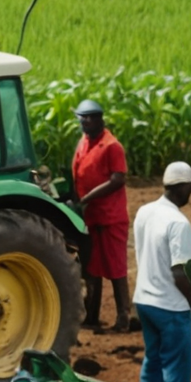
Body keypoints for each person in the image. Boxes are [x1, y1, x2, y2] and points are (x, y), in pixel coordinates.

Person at [133, 162, 191, 382]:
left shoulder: (145, 212)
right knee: (176, 370)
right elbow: (180, 272)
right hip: (170, 307)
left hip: (144, 300)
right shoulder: (178, 223)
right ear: (182, 187)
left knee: (152, 363)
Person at [70, 99, 130, 333]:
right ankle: (91, 316)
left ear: (99, 119)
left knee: (115, 268)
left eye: (88, 118)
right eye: (81, 118)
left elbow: (118, 179)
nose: (83, 122)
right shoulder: (84, 142)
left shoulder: (111, 146)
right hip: (91, 217)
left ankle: (123, 317)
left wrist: (87, 198)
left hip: (110, 216)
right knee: (92, 268)